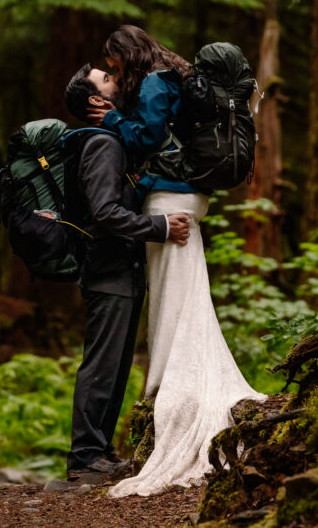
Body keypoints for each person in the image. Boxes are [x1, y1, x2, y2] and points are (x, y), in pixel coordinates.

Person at [87, 25, 266, 497]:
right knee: (186, 295)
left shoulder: (153, 81)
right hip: (188, 198)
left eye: (113, 63)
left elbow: (146, 135)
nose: (112, 72)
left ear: (127, 54)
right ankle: (172, 378)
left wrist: (110, 120)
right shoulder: (179, 76)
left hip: (169, 200)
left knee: (174, 297)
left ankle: (175, 388)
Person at [63, 63, 192, 485]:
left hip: (119, 268)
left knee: (116, 365)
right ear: (97, 100)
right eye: (108, 79)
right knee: (103, 363)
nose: (117, 81)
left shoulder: (113, 140)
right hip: (109, 269)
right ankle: (84, 457)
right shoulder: (102, 144)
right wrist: (160, 228)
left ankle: (97, 454)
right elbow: (104, 213)